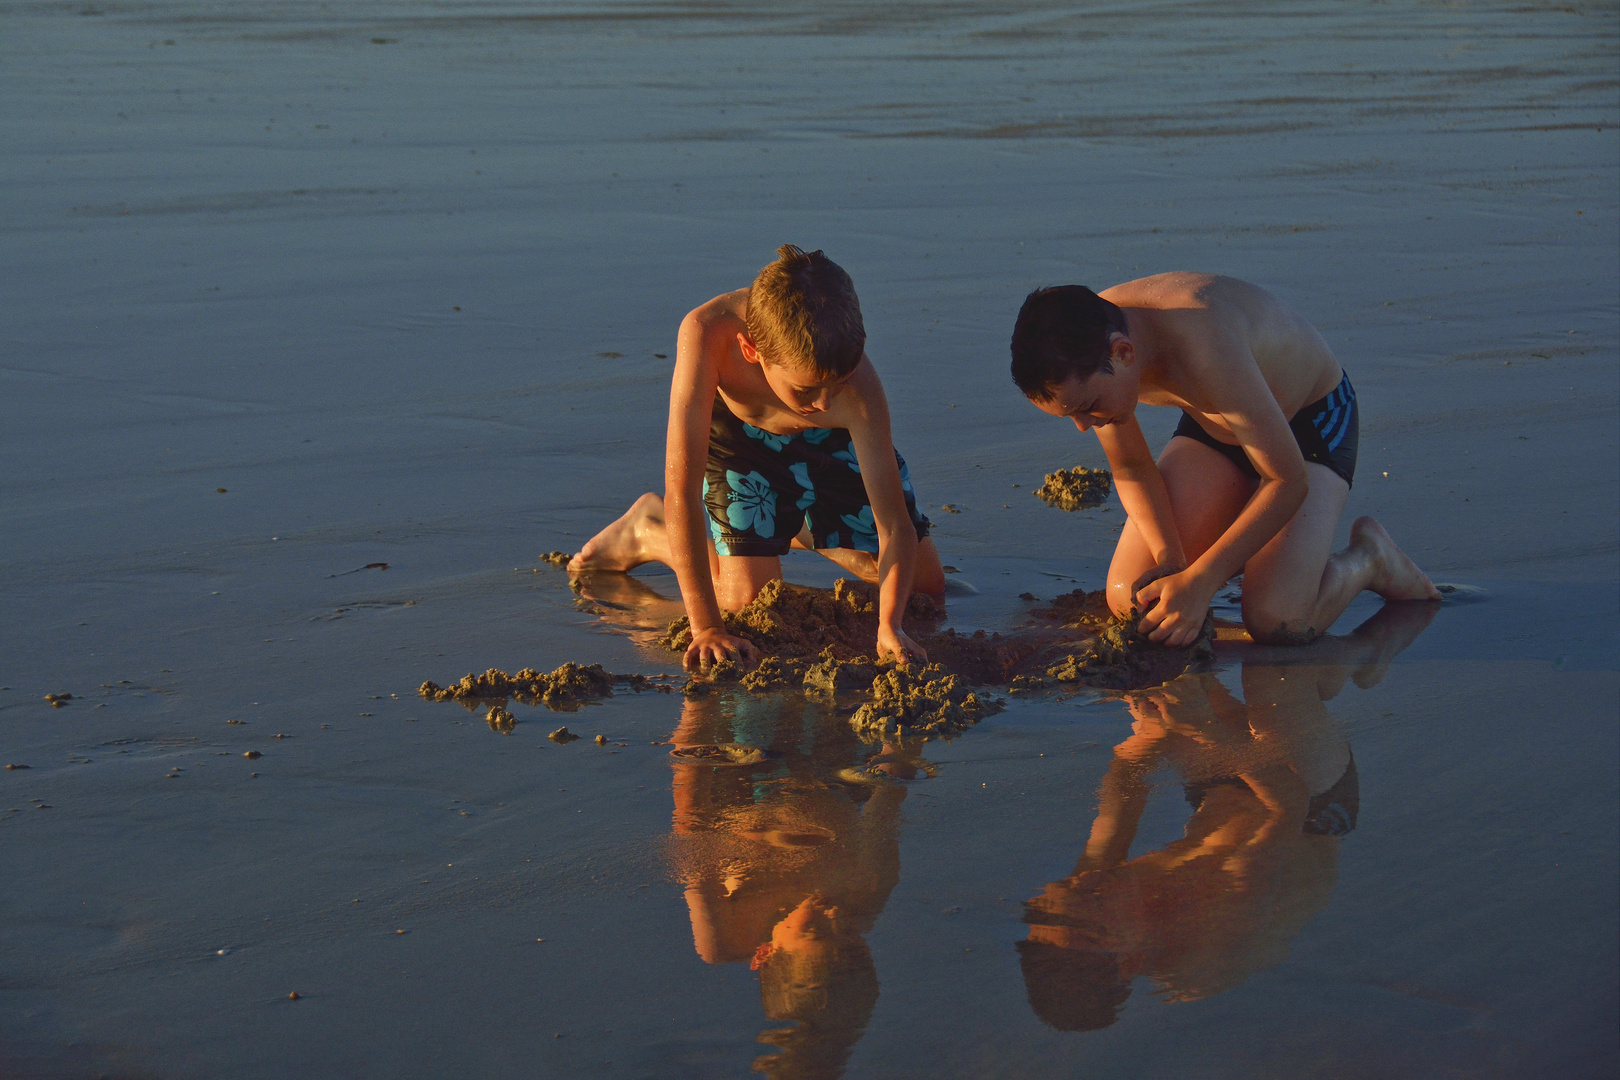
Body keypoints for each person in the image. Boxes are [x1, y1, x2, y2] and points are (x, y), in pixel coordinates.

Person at [1010, 273, 1440, 647]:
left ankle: (1369, 560)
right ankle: (1261, 557)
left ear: (1124, 353)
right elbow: (1133, 468)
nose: (1084, 426)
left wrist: (1201, 584)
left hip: (1309, 424)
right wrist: (1170, 561)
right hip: (1218, 426)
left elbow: (1286, 482)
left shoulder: (1203, 341)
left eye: (1086, 408)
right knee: (1131, 598)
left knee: (1279, 621)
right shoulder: (1088, 333)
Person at [571, 245, 944, 669]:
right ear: (751, 351)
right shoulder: (706, 333)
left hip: (829, 445)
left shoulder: (858, 390)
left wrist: (890, 625)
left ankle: (793, 524)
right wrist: (705, 627)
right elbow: (683, 491)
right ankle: (647, 530)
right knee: (745, 606)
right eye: (805, 390)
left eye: (838, 383)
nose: (823, 402)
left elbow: (894, 525)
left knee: (925, 585)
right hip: (741, 443)